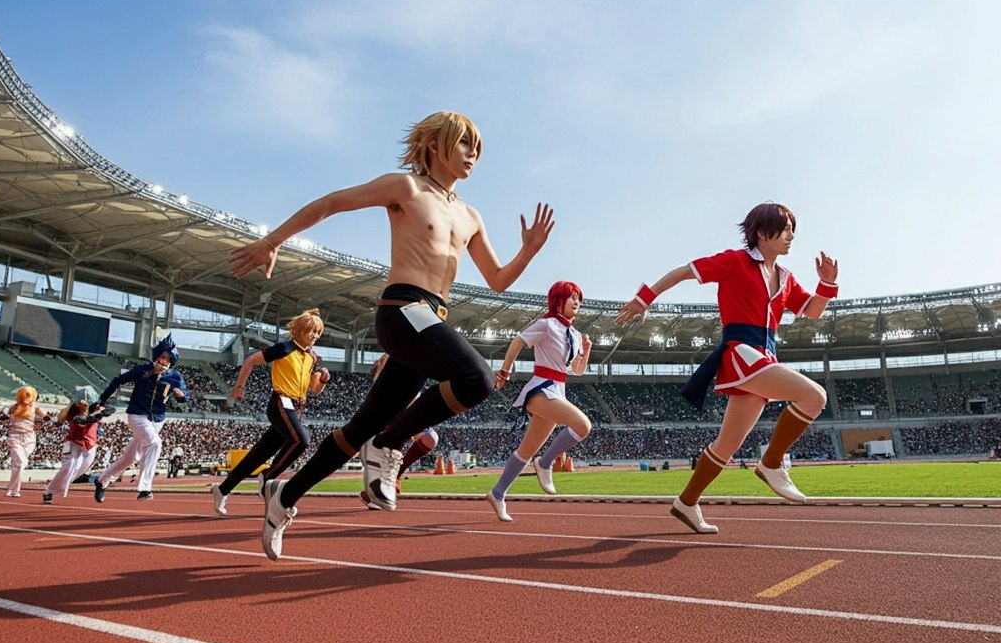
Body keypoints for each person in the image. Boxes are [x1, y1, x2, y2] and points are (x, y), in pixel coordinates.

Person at [230, 109, 554, 560]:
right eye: (464, 144)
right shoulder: (406, 188)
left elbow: (498, 280)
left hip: (431, 320)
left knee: (358, 427)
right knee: (476, 378)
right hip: (403, 308)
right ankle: (386, 445)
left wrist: (528, 252)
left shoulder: (471, 216)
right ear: (436, 144)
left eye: (478, 149)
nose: (473, 155)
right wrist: (274, 241)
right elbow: (331, 202)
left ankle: (283, 498)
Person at [615, 201, 838, 534]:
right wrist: (644, 298)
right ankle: (771, 462)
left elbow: (814, 310)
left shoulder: (787, 278)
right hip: (742, 353)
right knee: (815, 397)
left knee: (726, 446)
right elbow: (683, 272)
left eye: (794, 228)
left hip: (765, 357)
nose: (792, 235)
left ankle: (686, 502)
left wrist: (827, 283)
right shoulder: (735, 261)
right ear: (762, 233)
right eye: (786, 228)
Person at [487, 280, 592, 521]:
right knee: (583, 426)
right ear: (558, 300)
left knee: (526, 450)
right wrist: (505, 370)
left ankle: (497, 492)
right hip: (541, 389)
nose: (577, 302)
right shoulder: (547, 325)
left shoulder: (575, 334)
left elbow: (576, 370)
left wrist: (586, 350)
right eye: (572, 296)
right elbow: (518, 341)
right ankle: (545, 464)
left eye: (579, 298)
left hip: (559, 389)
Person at [210, 308, 331, 515]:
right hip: (281, 403)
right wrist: (239, 387)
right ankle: (268, 476)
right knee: (302, 440)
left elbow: (315, 389)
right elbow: (250, 361)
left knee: (258, 454)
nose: (315, 336)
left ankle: (222, 489)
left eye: (318, 333)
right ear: (300, 330)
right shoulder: (284, 348)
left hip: (298, 407)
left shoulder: (313, 357)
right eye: (311, 331)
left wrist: (324, 381)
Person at [92, 334, 190, 503]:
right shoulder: (142, 370)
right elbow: (118, 380)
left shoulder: (174, 377)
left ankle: (101, 481)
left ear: (172, 361)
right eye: (162, 356)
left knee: (130, 457)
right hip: (137, 415)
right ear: (157, 356)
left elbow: (185, 396)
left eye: (168, 358)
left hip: (157, 420)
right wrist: (102, 399)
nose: (164, 360)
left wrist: (180, 396)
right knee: (155, 443)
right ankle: (145, 488)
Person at [357, 355, 439, 510]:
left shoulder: (418, 359)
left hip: (408, 409)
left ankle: (395, 477)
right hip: (389, 411)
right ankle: (372, 493)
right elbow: (378, 382)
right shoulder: (390, 357)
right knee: (387, 455)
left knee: (431, 438)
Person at [43, 386, 113, 503]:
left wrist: (101, 411)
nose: (85, 404)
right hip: (73, 441)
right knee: (69, 465)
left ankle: (58, 486)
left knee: (81, 469)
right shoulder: (73, 411)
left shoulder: (95, 408)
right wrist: (70, 405)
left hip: (90, 444)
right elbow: (60, 419)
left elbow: (111, 410)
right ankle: (49, 490)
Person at [0, 386, 48, 497]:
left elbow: (45, 416)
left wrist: (46, 418)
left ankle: (12, 490)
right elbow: (3, 415)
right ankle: (14, 489)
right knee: (20, 463)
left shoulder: (35, 408)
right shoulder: (15, 407)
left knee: (19, 464)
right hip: (15, 437)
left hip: (29, 438)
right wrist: (4, 415)